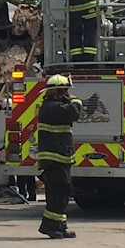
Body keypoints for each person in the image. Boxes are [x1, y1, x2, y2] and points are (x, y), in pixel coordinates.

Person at [37, 75, 82, 239]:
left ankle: (59, 226)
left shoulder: (53, 105)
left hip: (59, 158)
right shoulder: (52, 107)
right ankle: (49, 226)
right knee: (59, 192)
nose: (67, 94)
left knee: (62, 192)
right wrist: (76, 101)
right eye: (65, 91)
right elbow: (74, 113)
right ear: (58, 91)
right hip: (54, 160)